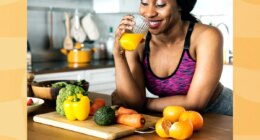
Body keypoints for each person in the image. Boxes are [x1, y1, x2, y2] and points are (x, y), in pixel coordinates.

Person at [112, 0, 233, 116]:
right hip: (175, 119)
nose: (149, 13)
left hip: (223, 114)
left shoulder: (206, 36)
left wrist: (145, 103)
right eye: (144, 3)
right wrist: (119, 54)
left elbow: (195, 103)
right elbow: (133, 102)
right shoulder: (139, 41)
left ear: (180, 5)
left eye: (160, 4)